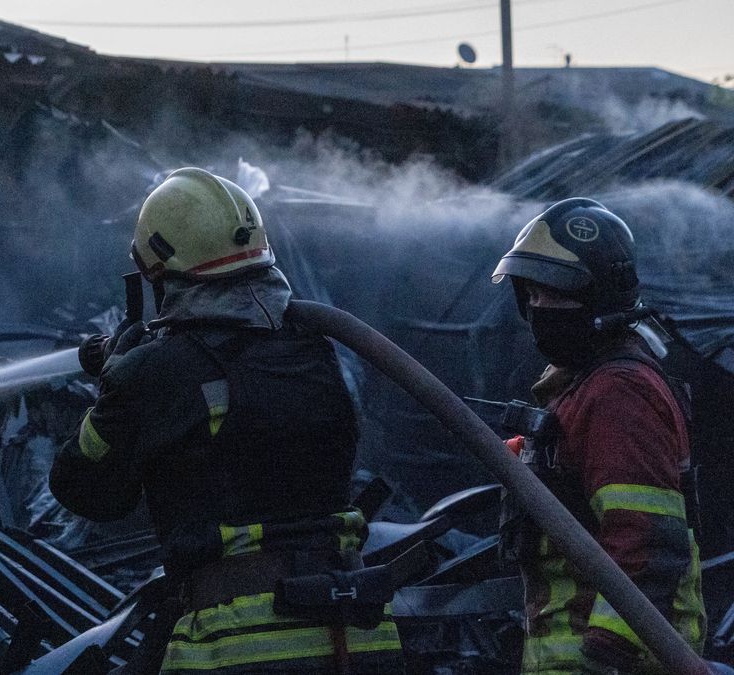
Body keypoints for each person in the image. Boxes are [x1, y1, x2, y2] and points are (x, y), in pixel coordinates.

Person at [50, 167, 404, 673]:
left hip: (237, 645)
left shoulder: (159, 371)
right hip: (358, 635)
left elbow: (83, 490)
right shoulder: (318, 352)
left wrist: (115, 390)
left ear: (159, 273)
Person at [491, 197, 706, 674]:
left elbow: (646, 543)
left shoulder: (618, 393)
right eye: (533, 294)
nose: (539, 307)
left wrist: (605, 655)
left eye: (556, 294)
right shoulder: (580, 389)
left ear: (599, 299)